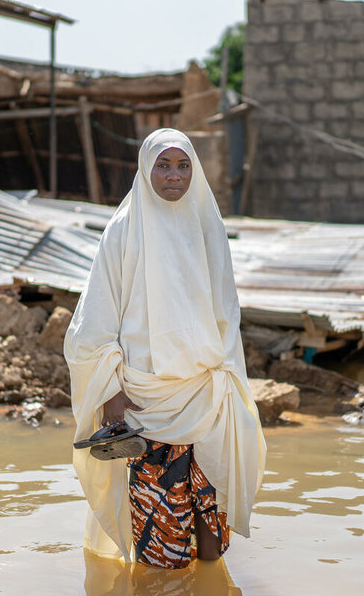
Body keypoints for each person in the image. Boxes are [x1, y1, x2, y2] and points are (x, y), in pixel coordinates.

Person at [65, 128, 266, 569]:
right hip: (145, 403)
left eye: (183, 165)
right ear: (145, 168)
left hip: (207, 397)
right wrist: (110, 393)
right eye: (163, 165)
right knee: (162, 543)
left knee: (211, 535)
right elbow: (96, 320)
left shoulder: (207, 224)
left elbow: (225, 312)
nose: (174, 176)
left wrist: (229, 378)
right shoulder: (124, 230)